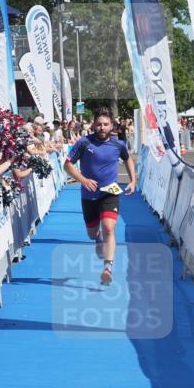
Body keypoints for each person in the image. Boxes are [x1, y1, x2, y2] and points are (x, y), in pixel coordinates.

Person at [64, 108, 137, 286]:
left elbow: (128, 159)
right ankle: (97, 240)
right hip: (88, 195)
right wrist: (83, 180)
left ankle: (107, 268)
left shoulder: (118, 144)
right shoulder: (83, 143)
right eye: (99, 124)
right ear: (93, 125)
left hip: (109, 193)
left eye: (106, 124)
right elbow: (67, 165)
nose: (102, 127)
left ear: (112, 126)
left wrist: (133, 181)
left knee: (109, 228)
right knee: (92, 233)